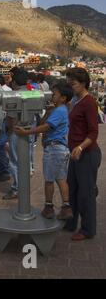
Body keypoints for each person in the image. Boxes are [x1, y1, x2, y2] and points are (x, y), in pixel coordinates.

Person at [15, 81, 74, 220]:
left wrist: (26, 132)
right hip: (59, 148)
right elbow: (44, 122)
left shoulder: (60, 111)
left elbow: (46, 127)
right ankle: (66, 207)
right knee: (61, 179)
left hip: (54, 149)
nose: (51, 96)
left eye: (54, 94)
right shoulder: (58, 110)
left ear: (63, 97)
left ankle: (49, 207)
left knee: (49, 180)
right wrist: (48, 111)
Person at [65, 68, 102, 241]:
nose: (71, 87)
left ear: (83, 83)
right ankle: (71, 221)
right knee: (72, 188)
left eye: (73, 84)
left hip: (86, 153)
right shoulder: (76, 100)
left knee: (85, 193)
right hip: (75, 153)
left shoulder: (89, 102)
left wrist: (80, 147)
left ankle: (88, 229)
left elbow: (93, 132)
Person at [4, 68, 31, 200]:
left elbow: (11, 118)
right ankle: (24, 187)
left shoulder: (14, 96)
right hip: (29, 130)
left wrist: (9, 129)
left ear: (14, 82)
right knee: (25, 161)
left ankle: (16, 188)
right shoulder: (32, 93)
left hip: (16, 131)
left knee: (14, 161)